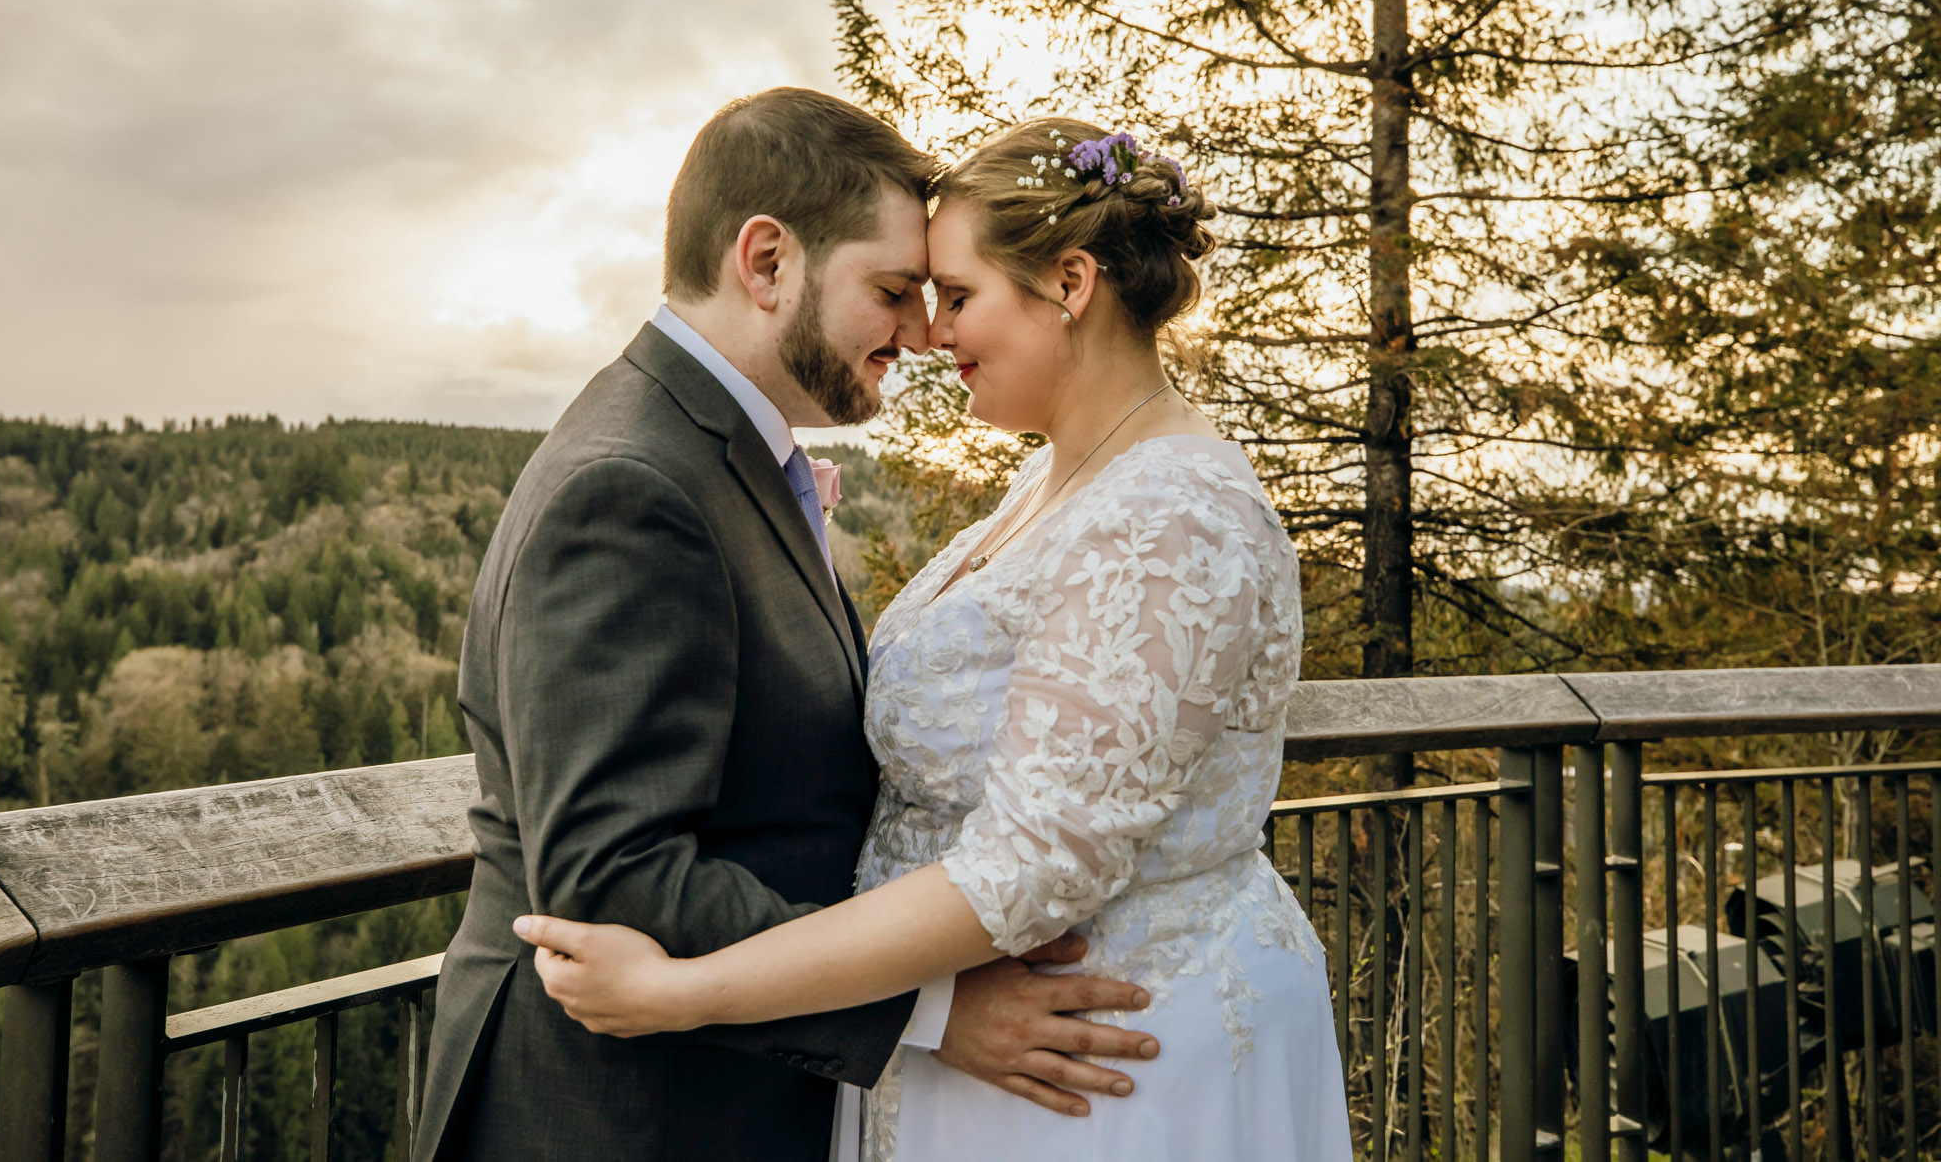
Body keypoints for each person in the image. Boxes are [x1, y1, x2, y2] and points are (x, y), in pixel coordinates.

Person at [515, 119, 1353, 1160]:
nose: (928, 333)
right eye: (915, 294)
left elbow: (1029, 864)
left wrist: (690, 991)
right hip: (994, 1050)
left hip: (1105, 1058)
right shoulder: (1052, 476)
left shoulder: (1170, 514)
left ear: (1071, 283)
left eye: (955, 297)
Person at [414, 91, 1161, 1162]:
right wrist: (929, 1012)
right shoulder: (631, 484)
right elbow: (611, 873)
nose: (919, 332)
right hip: (623, 1114)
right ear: (765, 262)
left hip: (720, 1094)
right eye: (892, 290)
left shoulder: (712, 449)